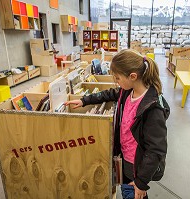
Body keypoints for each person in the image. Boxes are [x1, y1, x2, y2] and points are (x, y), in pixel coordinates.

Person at [64, 49, 170, 199]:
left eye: (118, 78)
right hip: (125, 157)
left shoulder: (153, 108)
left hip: (137, 164)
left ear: (133, 76)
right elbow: (110, 93)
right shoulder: (127, 90)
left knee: (133, 193)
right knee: (127, 189)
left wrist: (141, 182)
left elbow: (156, 150)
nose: (116, 81)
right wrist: (84, 100)